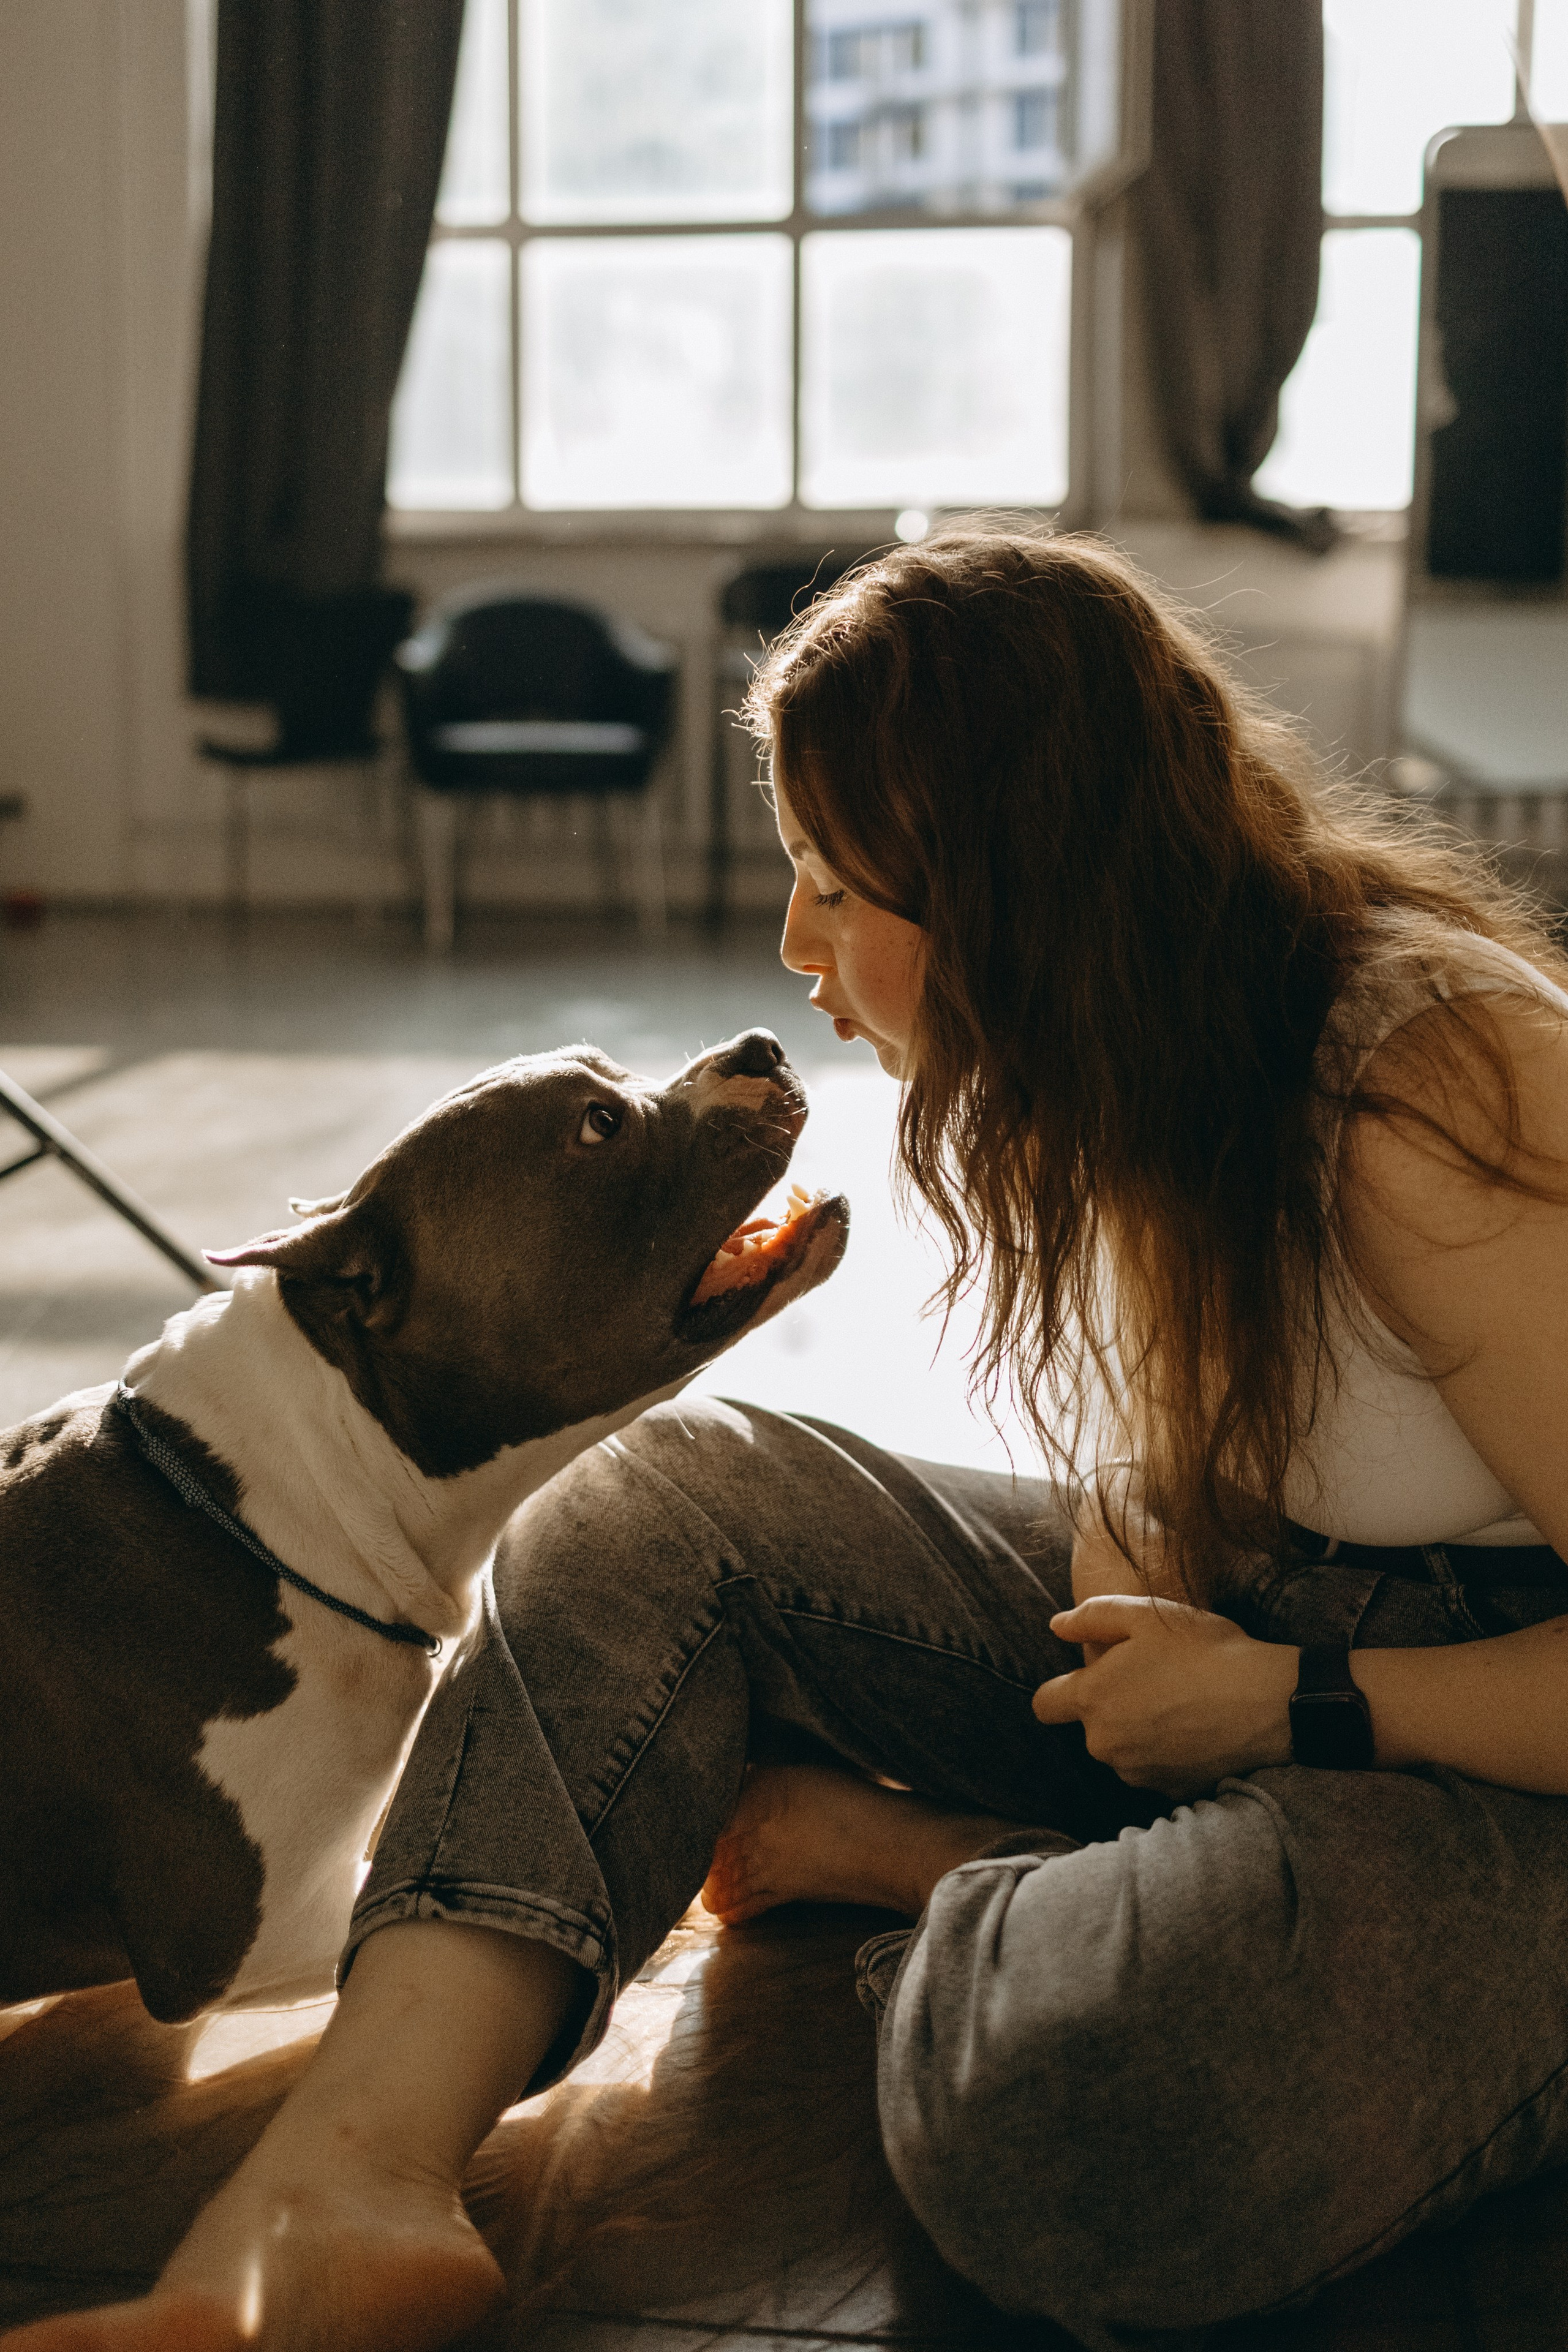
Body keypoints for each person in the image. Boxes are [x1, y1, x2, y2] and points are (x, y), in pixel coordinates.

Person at [13, 529, 1568, 2352]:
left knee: (1070, 2115)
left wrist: (1292, 1704)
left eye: (839, 888)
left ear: (1014, 887)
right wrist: (1159, 1550)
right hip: (1260, 1650)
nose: (794, 947)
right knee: (658, 1496)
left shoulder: (1426, 1089)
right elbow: (1212, 1456)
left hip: (1486, 1762)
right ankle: (343, 2183)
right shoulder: (1133, 1045)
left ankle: (935, 1862)